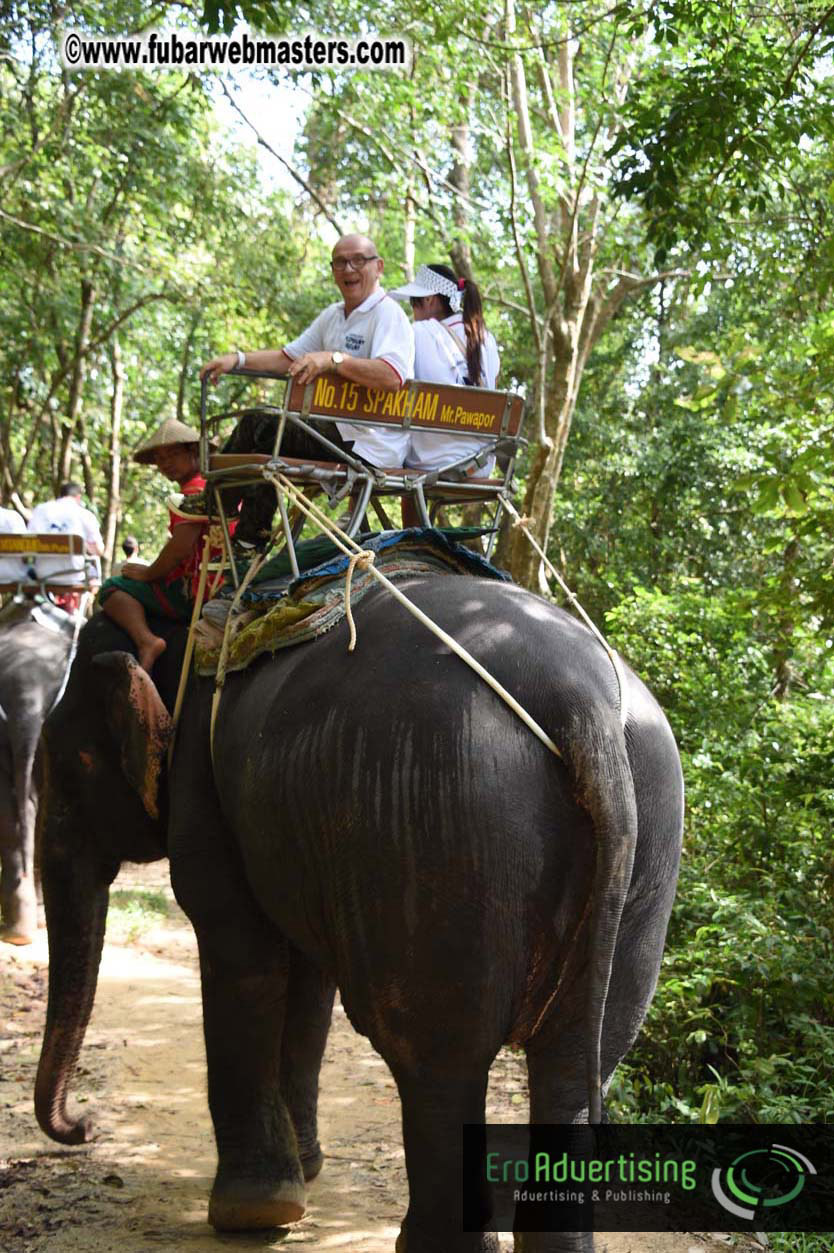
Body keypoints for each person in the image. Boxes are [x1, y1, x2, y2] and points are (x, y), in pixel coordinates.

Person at [198, 232, 415, 549]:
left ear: (378, 267)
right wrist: (236, 359)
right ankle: (246, 532)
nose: (348, 269)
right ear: (332, 270)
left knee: (262, 426)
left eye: (358, 260)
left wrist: (334, 360)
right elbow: (287, 358)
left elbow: (392, 376)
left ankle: (221, 510)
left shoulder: (387, 313)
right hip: (336, 432)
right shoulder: (332, 315)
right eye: (340, 262)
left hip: (367, 443)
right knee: (269, 433)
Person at [99, 419, 226, 674]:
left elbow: (180, 549)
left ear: (193, 453)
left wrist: (148, 573)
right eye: (160, 458)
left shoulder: (194, 492)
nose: (165, 463)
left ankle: (147, 641)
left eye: (174, 454)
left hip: (203, 587)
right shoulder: (215, 485)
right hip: (225, 575)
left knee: (112, 588)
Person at [389, 263, 500, 526]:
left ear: (428, 300)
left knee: (389, 451)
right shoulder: (486, 338)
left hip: (432, 464)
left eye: (414, 304)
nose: (413, 313)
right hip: (479, 465)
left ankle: (413, 542)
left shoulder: (417, 333)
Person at [27, 482, 105, 609]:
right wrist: (85, 544)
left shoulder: (40, 510)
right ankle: (79, 612)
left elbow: (29, 541)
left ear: (60, 495)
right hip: (74, 574)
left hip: (42, 574)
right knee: (93, 573)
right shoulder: (84, 514)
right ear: (78, 497)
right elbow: (99, 550)